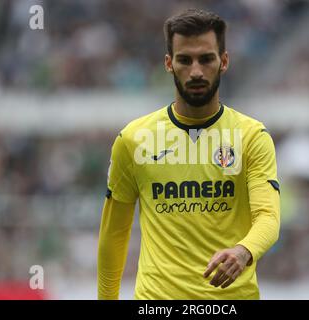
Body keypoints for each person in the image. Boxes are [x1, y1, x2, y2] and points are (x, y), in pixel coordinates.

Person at [97, 8, 280, 300]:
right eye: (185, 60)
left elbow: (268, 217)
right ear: (169, 64)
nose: (196, 71)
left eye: (206, 59)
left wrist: (243, 251)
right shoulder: (134, 140)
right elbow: (114, 233)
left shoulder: (251, 137)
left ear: (224, 61)